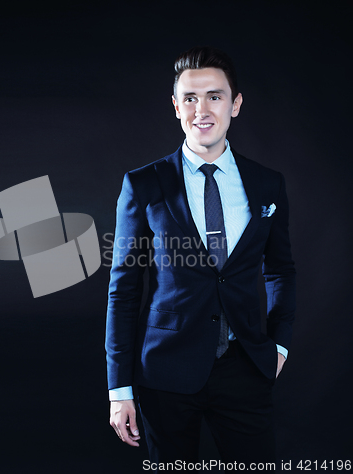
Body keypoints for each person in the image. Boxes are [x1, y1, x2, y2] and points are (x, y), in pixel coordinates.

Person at [105, 46, 296, 466]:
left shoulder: (267, 183)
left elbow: (280, 270)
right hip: (165, 371)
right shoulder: (143, 184)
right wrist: (119, 390)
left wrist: (279, 344)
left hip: (245, 367)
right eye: (190, 98)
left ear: (236, 104)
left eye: (215, 96)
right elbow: (123, 290)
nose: (202, 109)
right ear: (176, 107)